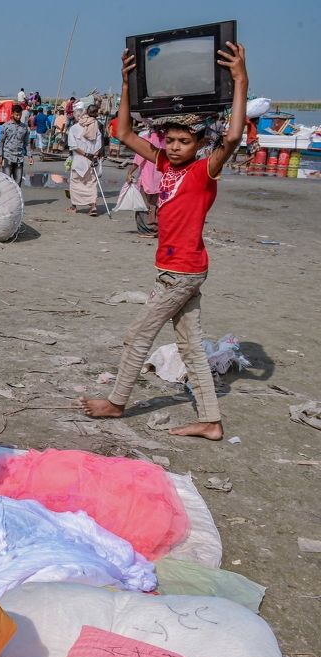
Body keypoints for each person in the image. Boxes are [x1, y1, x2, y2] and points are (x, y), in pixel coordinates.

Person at [79, 42, 249, 441]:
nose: (174, 147)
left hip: (183, 271)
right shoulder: (161, 164)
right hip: (174, 268)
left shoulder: (204, 172)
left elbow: (235, 135)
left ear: (198, 145)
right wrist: (125, 83)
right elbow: (121, 132)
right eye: (169, 140)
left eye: (183, 142)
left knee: (138, 334)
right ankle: (210, 421)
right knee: (190, 345)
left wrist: (240, 78)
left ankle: (117, 402)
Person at [124, 125, 166, 236]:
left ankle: (145, 229)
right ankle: (154, 226)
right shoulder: (165, 141)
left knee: (143, 204)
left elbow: (138, 159)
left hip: (147, 177)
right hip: (160, 178)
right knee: (155, 204)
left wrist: (129, 172)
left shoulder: (147, 140)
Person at [66, 104, 103, 216]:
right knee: (91, 183)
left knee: (75, 183)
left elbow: (73, 146)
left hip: (79, 160)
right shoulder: (95, 126)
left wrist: (86, 154)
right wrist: (93, 155)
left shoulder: (74, 128)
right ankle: (93, 206)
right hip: (91, 160)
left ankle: (74, 207)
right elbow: (99, 145)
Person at [0, 104, 33, 183]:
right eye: (17, 115)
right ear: (12, 114)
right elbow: (0, 142)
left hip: (19, 158)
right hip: (7, 157)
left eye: (20, 115)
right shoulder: (6, 126)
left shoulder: (24, 127)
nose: (18, 117)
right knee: (7, 182)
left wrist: (30, 156)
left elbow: (27, 143)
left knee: (18, 182)